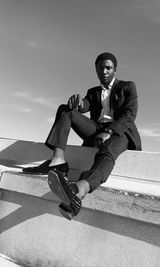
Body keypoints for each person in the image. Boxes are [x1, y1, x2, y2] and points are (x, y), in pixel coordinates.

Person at [22, 52, 142, 219]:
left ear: (115, 70)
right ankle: (58, 161)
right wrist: (77, 102)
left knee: (107, 150)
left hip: (121, 131)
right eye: (101, 68)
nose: (104, 71)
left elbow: (130, 114)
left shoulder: (128, 87)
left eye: (109, 68)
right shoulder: (93, 91)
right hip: (97, 130)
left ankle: (79, 190)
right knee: (65, 110)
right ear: (96, 70)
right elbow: (84, 105)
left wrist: (109, 131)